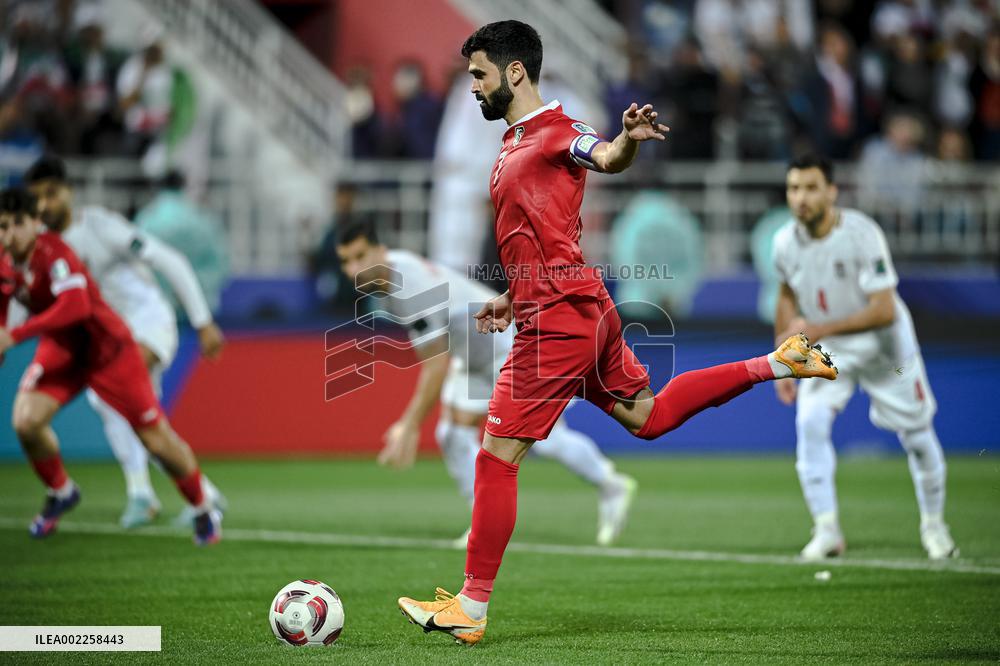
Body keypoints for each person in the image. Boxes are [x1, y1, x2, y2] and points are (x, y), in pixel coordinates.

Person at [396, 20, 838, 645]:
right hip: (574, 309)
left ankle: (471, 605)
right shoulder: (515, 140)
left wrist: (626, 140)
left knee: (494, 459)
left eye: (479, 75)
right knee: (647, 416)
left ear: (514, 72)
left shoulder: (556, 129)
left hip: (559, 324)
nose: (472, 87)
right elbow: (540, 241)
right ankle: (780, 363)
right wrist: (511, 298)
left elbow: (601, 155)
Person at [335, 220, 638, 547]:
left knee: (546, 439)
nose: (354, 269)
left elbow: (435, 367)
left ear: (380, 250)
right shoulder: (393, 272)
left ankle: (611, 484)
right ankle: (483, 522)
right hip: (475, 357)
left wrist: (409, 424)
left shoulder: (408, 288)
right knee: (452, 433)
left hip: (510, 347)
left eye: (360, 256)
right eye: (346, 261)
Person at [0, 187, 221, 545]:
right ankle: (62, 491)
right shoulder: (6, 260)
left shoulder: (57, 254)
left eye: (16, 225)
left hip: (109, 350)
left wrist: (16, 335)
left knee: (154, 436)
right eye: (2, 226)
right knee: (25, 420)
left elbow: (76, 308)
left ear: (35, 224)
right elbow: (5, 299)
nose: (8, 235)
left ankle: (201, 504)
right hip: (64, 350)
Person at [773, 154, 956, 562]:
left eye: (810, 187)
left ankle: (934, 526)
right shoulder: (784, 241)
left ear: (832, 192)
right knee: (810, 422)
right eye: (794, 188)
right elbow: (785, 295)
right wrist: (782, 360)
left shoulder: (862, 234)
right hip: (833, 348)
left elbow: (884, 309)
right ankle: (826, 531)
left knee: (917, 434)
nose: (801, 197)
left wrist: (819, 330)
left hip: (887, 349)